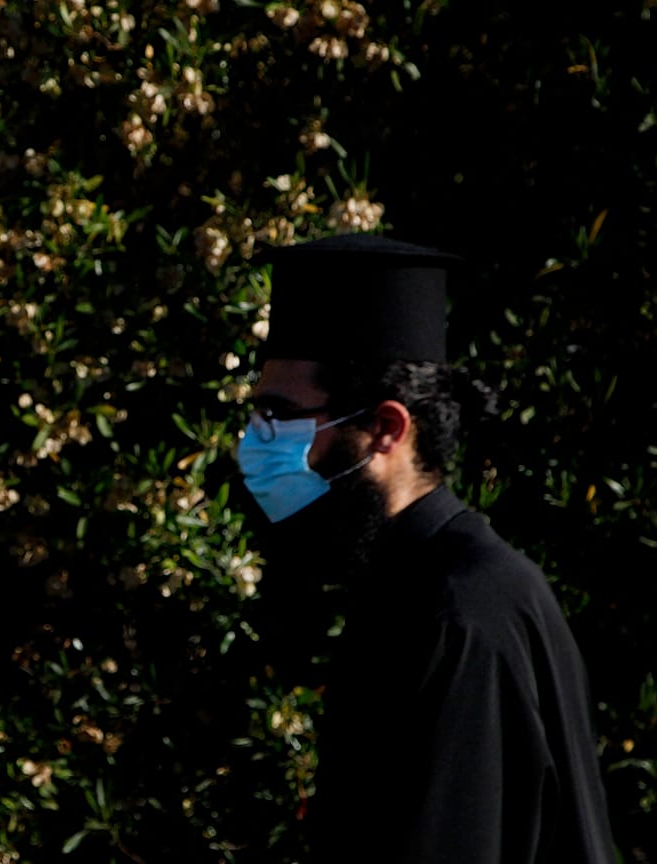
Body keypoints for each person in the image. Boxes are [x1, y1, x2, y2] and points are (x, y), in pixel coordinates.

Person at [235, 233, 617, 862]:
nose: (255, 444)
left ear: (386, 429)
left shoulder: (459, 611)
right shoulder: (411, 583)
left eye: (280, 416)